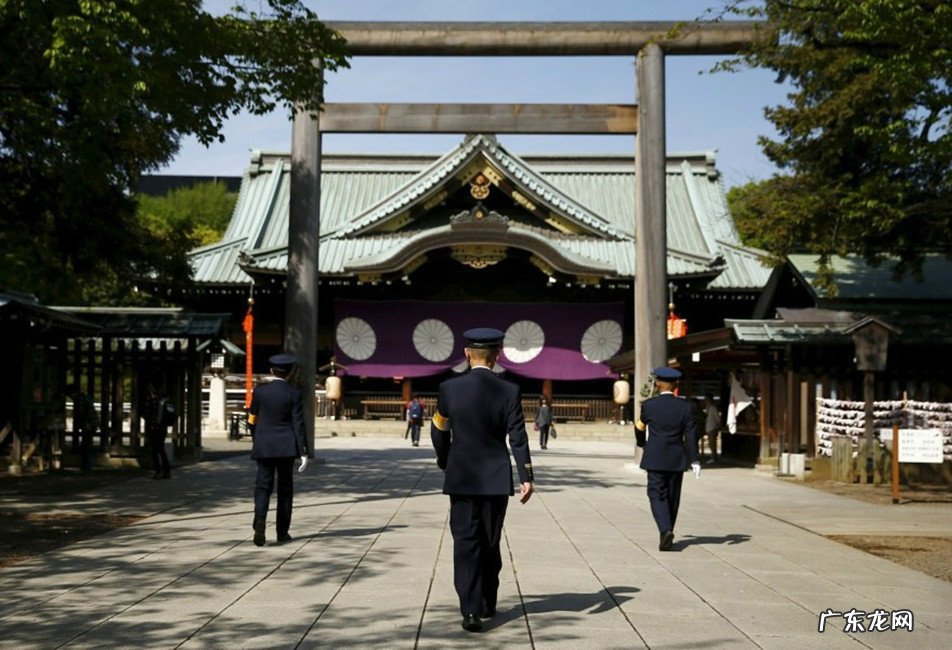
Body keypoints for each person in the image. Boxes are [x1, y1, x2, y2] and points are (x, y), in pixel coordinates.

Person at [431, 327, 534, 633]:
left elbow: (439, 429)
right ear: (497, 356)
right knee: (490, 540)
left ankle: (470, 610)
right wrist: (526, 475)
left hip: (461, 475)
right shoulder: (510, 391)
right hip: (495, 477)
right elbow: (518, 435)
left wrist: (444, 459)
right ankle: (488, 601)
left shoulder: (449, 389)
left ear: (466, 353)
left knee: (465, 542)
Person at [635, 367, 700, 552]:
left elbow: (639, 427)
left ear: (658, 383)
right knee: (673, 498)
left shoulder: (649, 405)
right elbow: (691, 435)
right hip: (676, 459)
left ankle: (665, 531)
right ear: (675, 385)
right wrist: (694, 460)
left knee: (656, 495)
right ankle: (668, 531)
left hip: (655, 457)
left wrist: (642, 444)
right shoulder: (685, 407)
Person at [248, 353, 309, 546]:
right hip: (286, 447)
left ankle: (260, 519)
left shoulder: (259, 391)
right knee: (285, 489)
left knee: (263, 486)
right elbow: (298, 424)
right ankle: (282, 532)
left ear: (271, 370)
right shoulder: (294, 393)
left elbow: (252, 418)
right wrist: (303, 451)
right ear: (290, 373)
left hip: (265, 445)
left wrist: (256, 437)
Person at [143, 385, 172, 479]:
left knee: (154, 450)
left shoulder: (151, 399)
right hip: (163, 428)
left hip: (154, 427)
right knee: (161, 449)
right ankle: (167, 471)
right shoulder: (164, 398)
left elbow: (146, 413)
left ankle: (158, 471)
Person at [69, 385, 98, 473]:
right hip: (91, 422)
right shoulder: (84, 397)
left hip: (88, 423)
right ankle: (86, 466)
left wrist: (82, 423)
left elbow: (82, 413)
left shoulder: (79, 399)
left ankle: (86, 466)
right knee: (87, 444)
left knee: (86, 445)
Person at [702, 394, 721, 464]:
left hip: (713, 427)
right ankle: (713, 457)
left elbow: (717, 418)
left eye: (706, 399)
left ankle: (714, 457)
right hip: (709, 427)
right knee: (710, 443)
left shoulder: (713, 407)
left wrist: (718, 426)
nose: (704, 400)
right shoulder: (707, 407)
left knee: (713, 443)